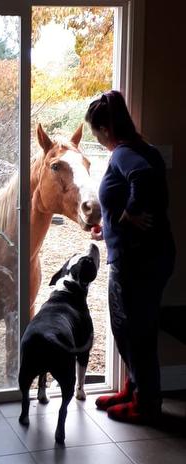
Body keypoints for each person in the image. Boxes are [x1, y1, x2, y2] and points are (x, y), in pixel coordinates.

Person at [85, 90, 176, 424]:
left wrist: (127, 215)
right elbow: (134, 196)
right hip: (154, 256)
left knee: (131, 331)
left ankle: (146, 404)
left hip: (137, 263)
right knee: (137, 329)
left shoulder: (123, 153)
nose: (96, 137)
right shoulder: (145, 148)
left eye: (95, 131)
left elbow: (141, 178)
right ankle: (135, 389)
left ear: (105, 128)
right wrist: (110, 227)